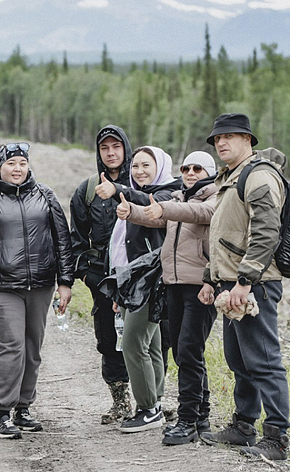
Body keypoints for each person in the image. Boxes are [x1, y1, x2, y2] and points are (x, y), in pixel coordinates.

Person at [0, 143, 73, 440]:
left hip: (41, 285)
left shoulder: (45, 195)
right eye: (11, 163)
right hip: (2, 286)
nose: (17, 168)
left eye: (22, 163)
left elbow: (63, 240)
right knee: (11, 345)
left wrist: (65, 282)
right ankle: (2, 413)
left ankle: (23, 407)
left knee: (32, 347)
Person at [198, 113, 290, 460]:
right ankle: (243, 426)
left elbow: (267, 232)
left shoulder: (259, 175)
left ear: (248, 139)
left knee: (264, 360)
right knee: (240, 359)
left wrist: (244, 281)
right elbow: (226, 235)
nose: (221, 143)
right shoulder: (231, 176)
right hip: (231, 284)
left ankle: (277, 437)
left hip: (255, 285)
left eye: (230, 136)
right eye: (217, 139)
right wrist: (211, 279)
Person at [121, 151, 217, 444]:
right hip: (173, 284)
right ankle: (201, 416)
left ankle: (187, 420)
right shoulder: (179, 200)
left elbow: (198, 214)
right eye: (186, 167)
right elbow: (159, 221)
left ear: (209, 172)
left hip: (201, 286)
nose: (189, 172)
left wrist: (165, 207)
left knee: (188, 351)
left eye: (197, 168)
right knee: (185, 351)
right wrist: (132, 212)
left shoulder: (215, 199)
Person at [103, 146, 179, 433]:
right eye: (135, 166)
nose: (140, 171)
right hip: (134, 280)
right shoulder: (137, 192)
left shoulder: (169, 193)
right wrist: (118, 287)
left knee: (134, 342)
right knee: (153, 344)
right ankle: (155, 402)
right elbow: (119, 248)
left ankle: (148, 408)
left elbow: (149, 209)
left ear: (160, 166)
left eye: (146, 165)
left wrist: (119, 192)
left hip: (151, 281)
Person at [69, 125, 134, 424]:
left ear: (126, 149)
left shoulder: (141, 183)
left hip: (140, 278)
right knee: (108, 340)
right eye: (104, 148)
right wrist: (86, 275)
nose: (110, 153)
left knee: (150, 340)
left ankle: (152, 400)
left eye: (116, 147)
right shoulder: (86, 191)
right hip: (102, 280)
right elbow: (77, 241)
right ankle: (120, 402)